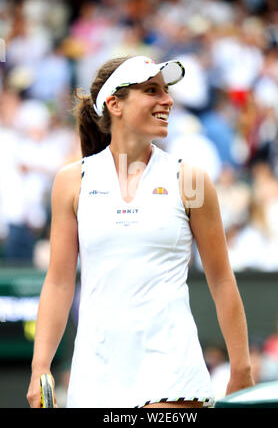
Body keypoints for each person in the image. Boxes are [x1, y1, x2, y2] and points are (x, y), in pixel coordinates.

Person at [27, 55, 254, 408]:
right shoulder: (71, 182)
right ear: (115, 104)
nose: (168, 100)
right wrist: (40, 367)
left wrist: (241, 368)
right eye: (152, 90)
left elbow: (222, 279)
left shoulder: (191, 179)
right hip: (95, 373)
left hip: (173, 370)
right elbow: (58, 281)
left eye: (166, 91)